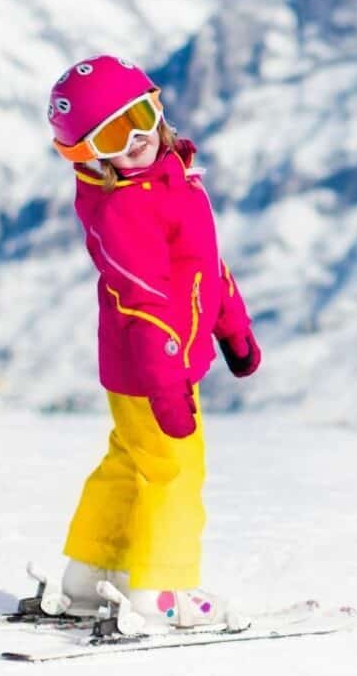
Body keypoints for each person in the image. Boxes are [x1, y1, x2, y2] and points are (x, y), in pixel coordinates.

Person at [42, 55, 261, 633]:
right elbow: (144, 302)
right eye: (115, 132)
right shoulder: (124, 207)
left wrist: (231, 325)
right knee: (175, 472)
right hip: (151, 369)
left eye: (142, 115)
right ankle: (161, 590)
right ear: (87, 153)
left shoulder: (170, 180)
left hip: (148, 368)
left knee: (129, 460)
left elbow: (204, 264)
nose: (137, 137)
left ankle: (92, 573)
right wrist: (166, 384)